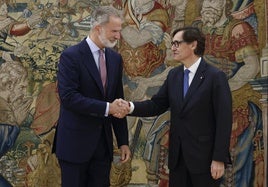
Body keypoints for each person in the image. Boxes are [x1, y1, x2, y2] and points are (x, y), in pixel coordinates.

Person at [115, 26, 232, 187]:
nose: (173, 48)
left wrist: (219, 158)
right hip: (177, 160)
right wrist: (130, 106)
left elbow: (224, 120)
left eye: (177, 43)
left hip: (205, 159)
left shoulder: (215, 77)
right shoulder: (174, 75)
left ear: (193, 45)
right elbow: (157, 104)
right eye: (172, 44)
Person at [54, 6, 131, 187]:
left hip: (103, 148)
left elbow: (117, 99)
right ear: (98, 28)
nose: (118, 36)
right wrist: (107, 108)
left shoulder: (115, 59)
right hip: (74, 146)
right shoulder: (70, 56)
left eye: (119, 31)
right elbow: (68, 97)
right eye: (114, 31)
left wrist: (123, 142)